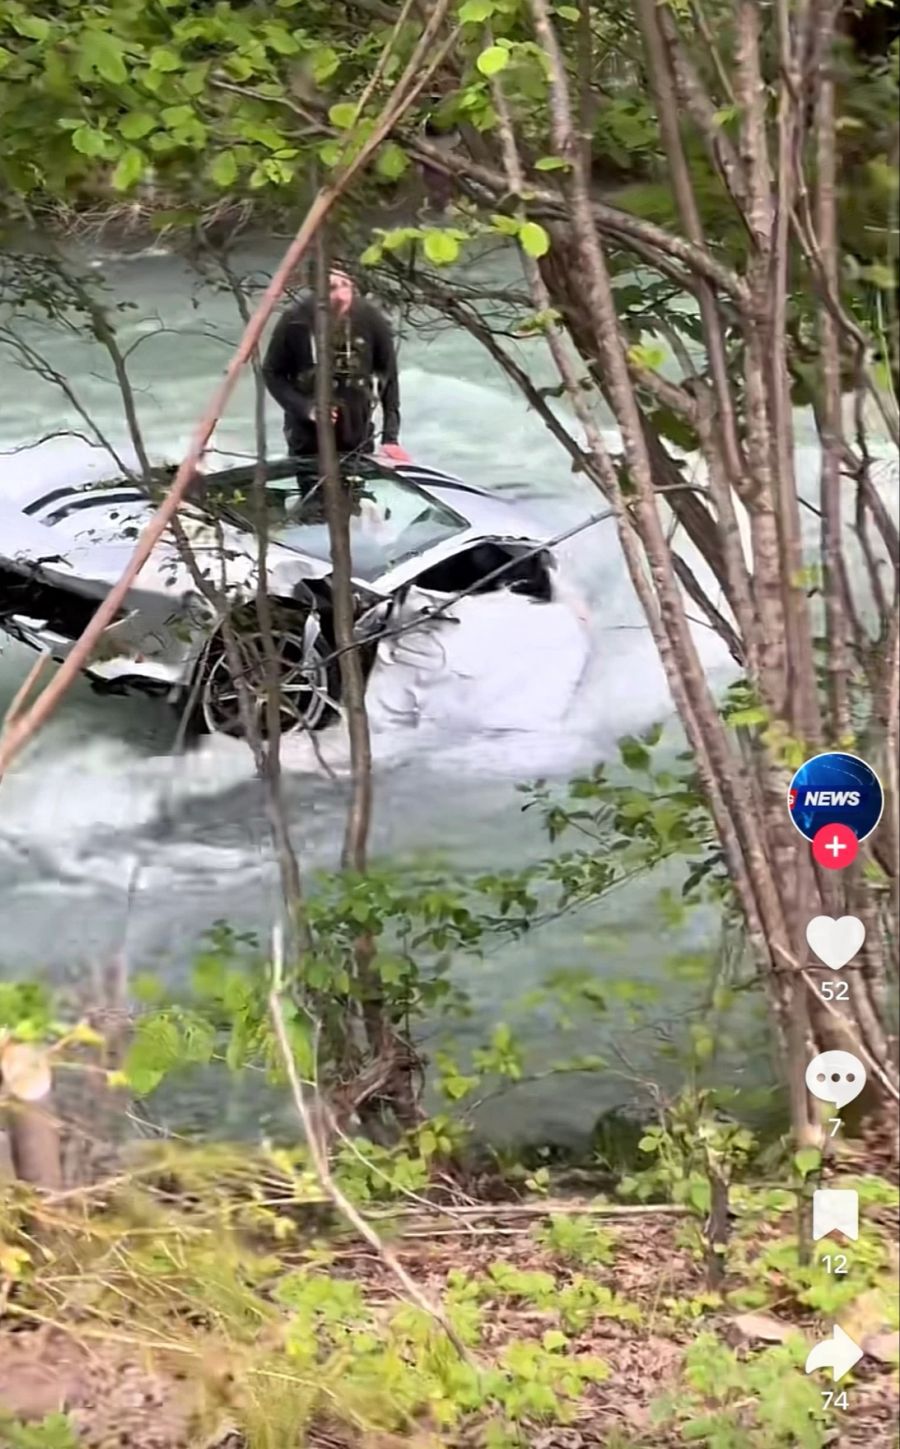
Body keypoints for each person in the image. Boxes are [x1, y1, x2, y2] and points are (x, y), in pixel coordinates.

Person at [263, 269, 410, 463]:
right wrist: (305, 408)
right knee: (314, 489)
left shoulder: (370, 318)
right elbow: (272, 372)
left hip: (357, 433)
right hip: (307, 439)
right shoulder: (296, 320)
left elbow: (388, 376)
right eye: (331, 288)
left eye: (345, 286)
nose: (341, 297)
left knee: (352, 490)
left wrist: (390, 438)